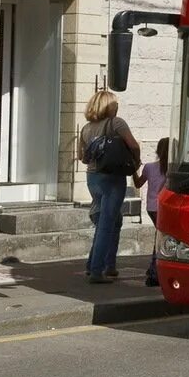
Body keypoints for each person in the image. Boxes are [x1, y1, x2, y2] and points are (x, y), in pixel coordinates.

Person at [78, 90, 140, 284]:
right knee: (106, 223)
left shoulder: (86, 128)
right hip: (112, 176)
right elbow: (134, 145)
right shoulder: (117, 123)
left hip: (93, 177)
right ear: (110, 106)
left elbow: (82, 157)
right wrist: (136, 162)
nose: (117, 107)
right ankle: (97, 270)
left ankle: (105, 265)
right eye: (115, 104)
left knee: (113, 220)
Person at [133, 138, 168, 287]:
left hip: (151, 208)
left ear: (157, 151)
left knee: (158, 237)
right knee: (160, 240)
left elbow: (138, 183)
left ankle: (153, 269)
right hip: (164, 208)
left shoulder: (149, 167)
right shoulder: (172, 169)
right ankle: (155, 271)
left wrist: (134, 170)